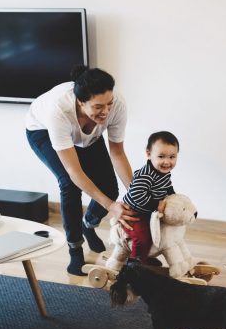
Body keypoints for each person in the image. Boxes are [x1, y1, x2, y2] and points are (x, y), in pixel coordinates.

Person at [25, 66, 137, 276]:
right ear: (80, 101)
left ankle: (88, 224)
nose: (106, 111)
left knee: (109, 189)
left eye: (109, 104)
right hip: (42, 131)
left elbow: (118, 153)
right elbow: (73, 170)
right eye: (98, 106)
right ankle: (75, 251)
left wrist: (136, 194)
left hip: (86, 136)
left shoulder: (117, 106)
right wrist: (112, 207)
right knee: (68, 183)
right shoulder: (58, 110)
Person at [121, 131, 179, 262]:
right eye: (161, 156)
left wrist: (175, 200)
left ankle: (144, 257)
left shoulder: (164, 173)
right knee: (142, 237)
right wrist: (156, 205)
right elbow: (136, 195)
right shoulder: (145, 175)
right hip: (133, 213)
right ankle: (134, 264)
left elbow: (168, 188)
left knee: (157, 234)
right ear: (148, 154)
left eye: (172, 157)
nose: (167, 162)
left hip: (147, 212)